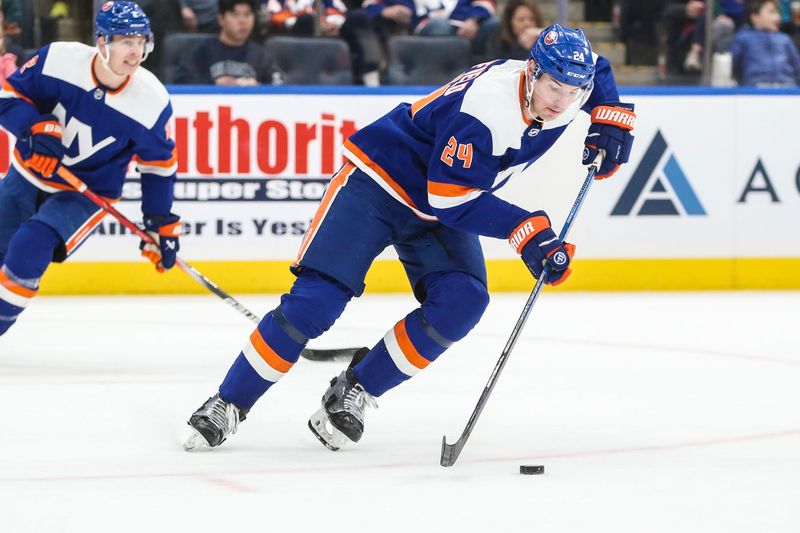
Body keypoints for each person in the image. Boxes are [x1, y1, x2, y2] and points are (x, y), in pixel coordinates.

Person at [183, 24, 636, 453]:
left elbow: (597, 69)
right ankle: (228, 403)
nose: (562, 101)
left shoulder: (569, 80)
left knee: (463, 302)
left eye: (573, 92)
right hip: (377, 185)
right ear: (532, 71)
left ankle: (354, 389)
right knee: (315, 304)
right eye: (554, 87)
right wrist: (528, 231)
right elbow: (452, 202)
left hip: (438, 204)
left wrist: (610, 117)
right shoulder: (487, 109)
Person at [0, 1, 180, 337]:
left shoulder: (151, 100)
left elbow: (158, 167)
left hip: (84, 195)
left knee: (30, 244)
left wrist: (160, 222)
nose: (135, 52)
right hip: (27, 173)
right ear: (102, 42)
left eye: (141, 42)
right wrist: (35, 127)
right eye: (126, 41)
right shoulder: (58, 59)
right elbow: (7, 97)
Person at [175, 0, 283, 85]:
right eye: (235, 14)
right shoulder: (201, 52)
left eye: (247, 14)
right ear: (221, 19)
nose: (242, 21)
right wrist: (214, 84)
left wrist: (257, 87)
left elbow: (280, 83)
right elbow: (181, 82)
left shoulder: (260, 55)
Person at [729, 0, 800, 85]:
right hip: (755, 90)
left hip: (786, 89)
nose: (778, 17)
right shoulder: (743, 38)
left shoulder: (784, 39)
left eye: (777, 12)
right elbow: (732, 66)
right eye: (771, 12)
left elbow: (797, 66)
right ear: (755, 17)